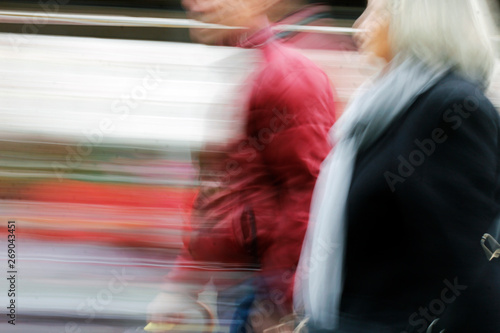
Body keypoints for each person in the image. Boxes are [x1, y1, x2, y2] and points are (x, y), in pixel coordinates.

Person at [295, 0, 500, 332]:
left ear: (417, 20)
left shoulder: (452, 109)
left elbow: (470, 267)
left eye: (376, 11)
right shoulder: (379, 112)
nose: (360, 23)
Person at [147, 0, 337, 332]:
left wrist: (282, 305)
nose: (196, 4)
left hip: (259, 292)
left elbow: (307, 195)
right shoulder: (243, 70)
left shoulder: (289, 77)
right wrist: (183, 284)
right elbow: (221, 197)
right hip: (241, 289)